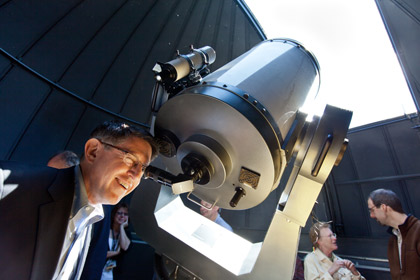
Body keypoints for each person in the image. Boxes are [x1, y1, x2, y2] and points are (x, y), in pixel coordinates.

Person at [0, 120, 157, 280]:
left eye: (143, 169)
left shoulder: (94, 219)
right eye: (130, 159)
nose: (136, 175)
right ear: (93, 151)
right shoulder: (6, 183)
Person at [368, 188, 420, 279]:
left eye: (372, 210)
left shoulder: (418, 231)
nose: (371, 215)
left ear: (383, 207)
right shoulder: (393, 240)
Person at [101, 202, 131, 280]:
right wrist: (118, 252)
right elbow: (101, 253)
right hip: (99, 271)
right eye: (119, 213)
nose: (122, 216)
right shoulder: (105, 231)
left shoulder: (126, 234)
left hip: (115, 275)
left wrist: (121, 227)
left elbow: (124, 248)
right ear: (114, 214)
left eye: (125, 214)